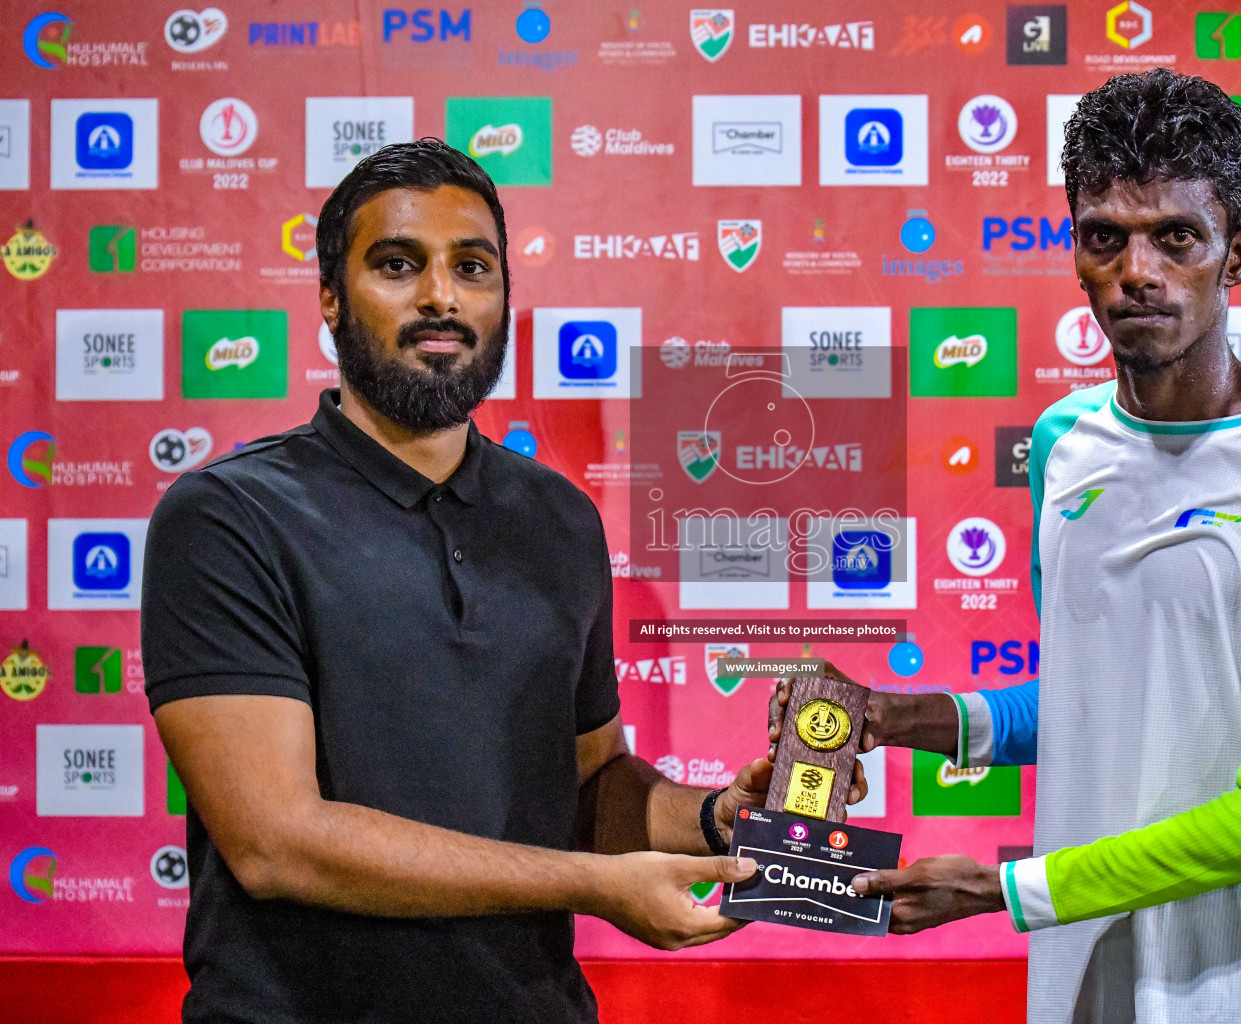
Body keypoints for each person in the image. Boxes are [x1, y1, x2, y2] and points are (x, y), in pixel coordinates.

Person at [142, 139, 816, 1024]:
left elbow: (584, 787)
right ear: (331, 300)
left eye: (472, 266)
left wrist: (719, 818)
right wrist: (600, 886)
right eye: (396, 265)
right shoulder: (227, 516)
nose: (440, 296)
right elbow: (278, 844)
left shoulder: (560, 521)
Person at [773, 70, 1241, 1023]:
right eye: (1107, 236)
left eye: (1176, 237)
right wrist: (895, 717)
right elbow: (1098, 699)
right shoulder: (1063, 444)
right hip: (1082, 982)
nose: (1137, 270)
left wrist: (1005, 892)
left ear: (1239, 256)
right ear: (1074, 252)